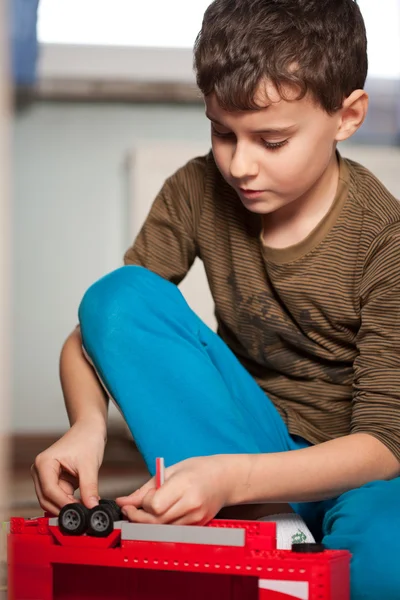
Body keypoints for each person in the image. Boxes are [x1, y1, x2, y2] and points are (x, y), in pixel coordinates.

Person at [32, 1, 400, 597]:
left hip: (356, 471)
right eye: (222, 132)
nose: (240, 164)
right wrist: (86, 425)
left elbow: (385, 445)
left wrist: (237, 478)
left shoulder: (385, 239)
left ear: (347, 116)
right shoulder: (197, 189)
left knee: (383, 561)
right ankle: (262, 532)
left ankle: (275, 541)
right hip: (242, 447)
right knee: (117, 295)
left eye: (272, 140)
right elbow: (98, 332)